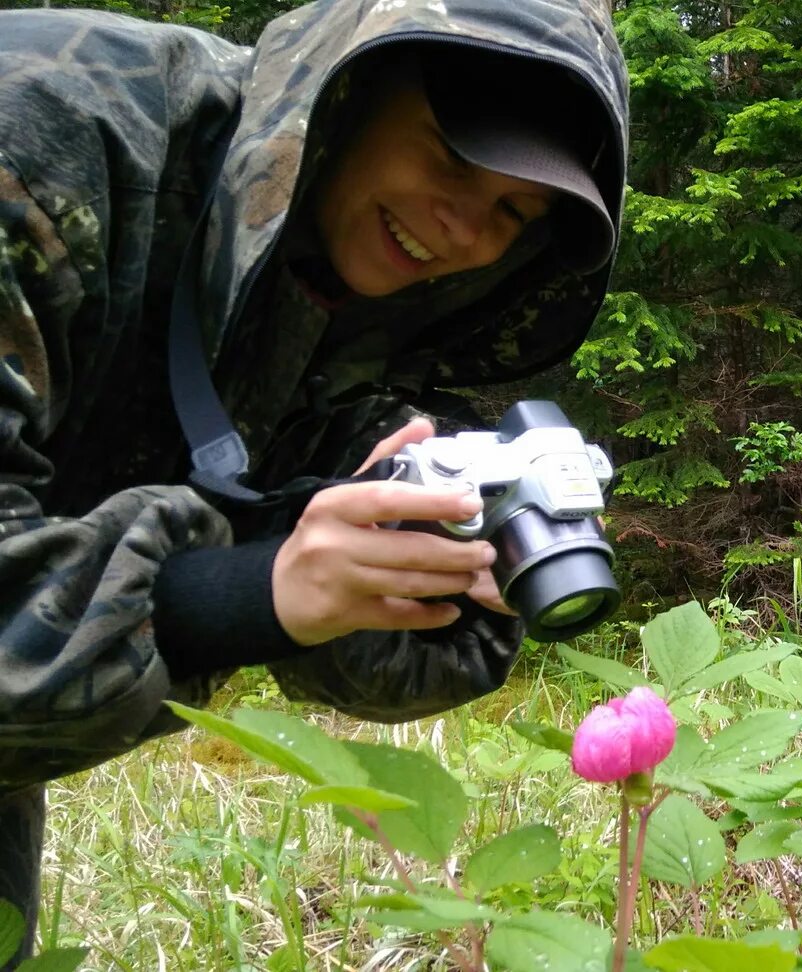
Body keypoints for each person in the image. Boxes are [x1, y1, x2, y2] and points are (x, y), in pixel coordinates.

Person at [0, 0, 628, 963]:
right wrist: (258, 588)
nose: (462, 226)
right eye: (450, 158)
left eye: (514, 211)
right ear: (348, 91)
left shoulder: (337, 292)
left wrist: (431, 577)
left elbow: (354, 653)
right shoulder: (46, 132)